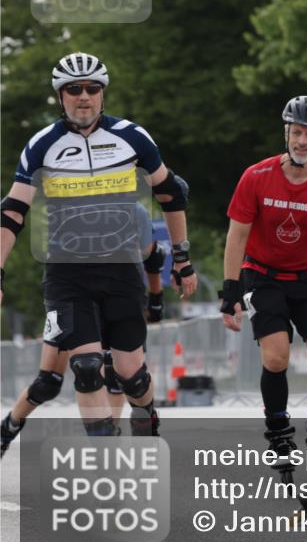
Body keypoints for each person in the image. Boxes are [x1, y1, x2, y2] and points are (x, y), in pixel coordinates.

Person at [0, 52, 196, 439]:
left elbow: (171, 195)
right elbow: (12, 213)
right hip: (66, 273)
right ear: (61, 96)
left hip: (121, 269)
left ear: (103, 94)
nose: (84, 96)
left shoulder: (131, 137)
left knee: (131, 377)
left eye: (92, 88)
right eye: (74, 89)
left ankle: (147, 420)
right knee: (86, 368)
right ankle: (103, 462)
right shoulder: (42, 145)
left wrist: (183, 258)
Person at [219, 95, 307, 482]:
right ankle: (279, 433)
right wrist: (230, 291)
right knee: (277, 357)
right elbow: (237, 236)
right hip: (264, 277)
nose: (302, 141)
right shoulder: (257, 177)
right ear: (286, 133)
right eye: (296, 132)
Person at [1, 203, 165, 455]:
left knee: (123, 376)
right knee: (49, 382)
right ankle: (7, 429)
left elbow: (154, 257)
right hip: (74, 297)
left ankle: (117, 436)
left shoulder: (134, 210)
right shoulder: (66, 204)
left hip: (117, 296)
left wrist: (155, 300)